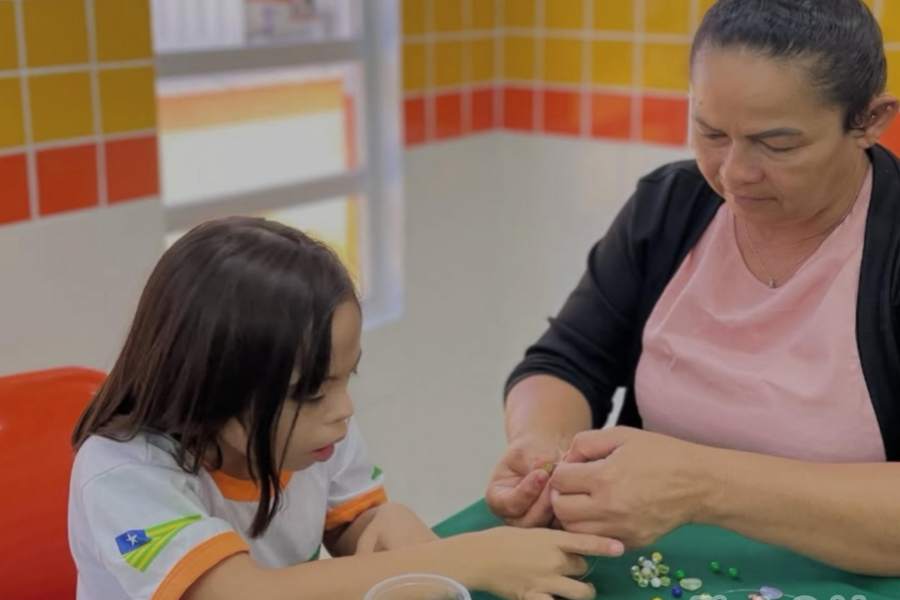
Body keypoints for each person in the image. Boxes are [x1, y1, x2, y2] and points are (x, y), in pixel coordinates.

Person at [486, 0, 900, 577]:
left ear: (870, 121)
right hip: (648, 565)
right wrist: (542, 444)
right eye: (710, 132)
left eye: (776, 145)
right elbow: (567, 360)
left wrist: (702, 485)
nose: (733, 173)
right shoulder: (671, 205)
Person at [68, 217, 624, 600]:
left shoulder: (313, 436)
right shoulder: (124, 474)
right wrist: (470, 559)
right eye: (311, 391)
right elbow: (240, 593)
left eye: (345, 377)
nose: (343, 409)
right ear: (210, 389)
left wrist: (383, 525)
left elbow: (351, 526)